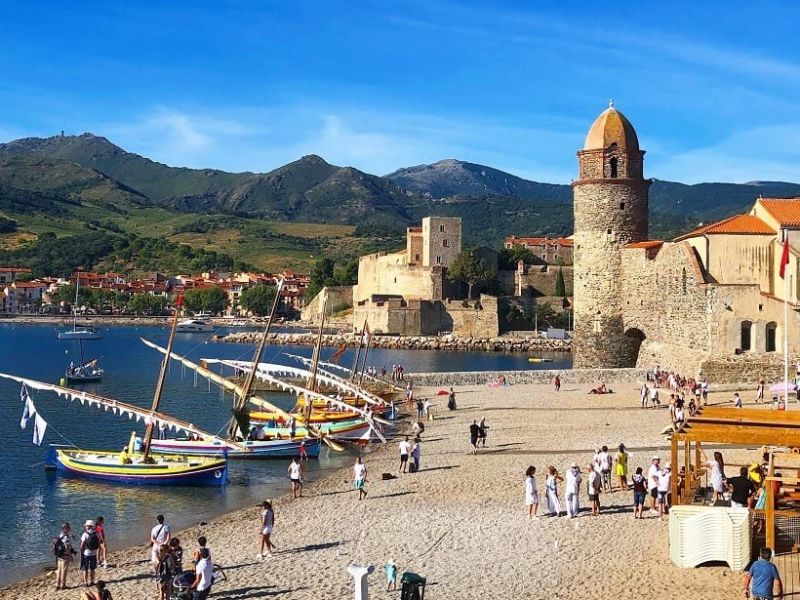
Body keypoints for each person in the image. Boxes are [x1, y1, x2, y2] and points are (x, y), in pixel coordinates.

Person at [54, 522, 75, 590]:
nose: (70, 528)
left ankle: (57, 584)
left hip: (59, 555)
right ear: (65, 528)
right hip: (65, 556)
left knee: (59, 570)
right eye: (68, 527)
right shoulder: (66, 537)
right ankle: (63, 585)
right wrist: (70, 556)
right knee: (64, 571)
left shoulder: (60, 535)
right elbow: (67, 547)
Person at [80, 520, 100, 588]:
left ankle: (86, 582)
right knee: (92, 568)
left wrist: (82, 552)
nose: (85, 527)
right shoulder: (97, 533)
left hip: (86, 553)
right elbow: (99, 543)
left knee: (85, 568)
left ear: (88, 527)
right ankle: (92, 581)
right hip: (93, 554)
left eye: (86, 526)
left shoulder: (85, 534)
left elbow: (82, 545)